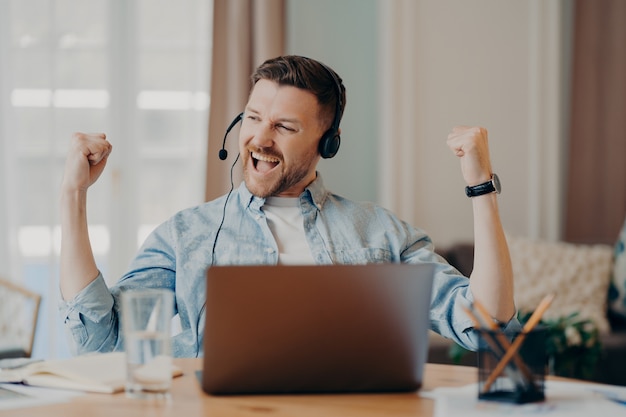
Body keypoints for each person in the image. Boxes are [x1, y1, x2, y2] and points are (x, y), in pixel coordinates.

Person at [59, 55, 518, 358]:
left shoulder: (380, 232)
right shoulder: (186, 234)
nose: (259, 139)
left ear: (328, 142)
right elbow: (102, 338)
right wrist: (73, 195)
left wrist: (481, 186)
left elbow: (486, 324)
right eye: (254, 118)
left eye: (284, 127)